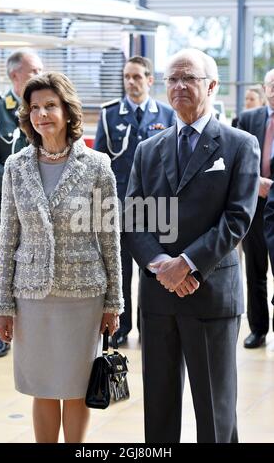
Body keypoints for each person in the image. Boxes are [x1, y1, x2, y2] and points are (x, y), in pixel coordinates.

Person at [123, 48, 260, 443]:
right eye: (173, 79)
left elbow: (237, 219)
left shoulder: (238, 145)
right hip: (158, 297)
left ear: (212, 86)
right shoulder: (149, 149)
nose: (179, 86)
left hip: (211, 294)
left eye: (189, 78)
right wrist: (160, 264)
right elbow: (133, 218)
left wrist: (186, 262)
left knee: (215, 414)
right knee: (159, 414)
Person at [0, 71, 124, 443]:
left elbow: (109, 238)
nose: (42, 114)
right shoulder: (15, 167)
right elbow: (7, 238)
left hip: (83, 297)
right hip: (31, 296)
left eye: (51, 105)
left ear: (68, 111)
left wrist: (114, 301)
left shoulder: (98, 165)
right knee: (43, 386)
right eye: (34, 107)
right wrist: (2, 304)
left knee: (77, 386)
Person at [94, 55, 175, 345]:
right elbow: (99, 163)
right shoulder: (109, 115)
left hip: (157, 208)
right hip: (117, 206)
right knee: (120, 269)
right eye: (127, 77)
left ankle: (148, 327)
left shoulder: (167, 115)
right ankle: (121, 328)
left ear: (150, 80)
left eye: (137, 76)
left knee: (154, 269)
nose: (131, 82)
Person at [0, 48, 43, 358]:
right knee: (3, 268)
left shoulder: (42, 109)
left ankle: (35, 328)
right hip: (4, 204)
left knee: (38, 264)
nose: (39, 76)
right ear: (15, 75)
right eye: (33, 71)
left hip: (41, 206)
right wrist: (21, 186)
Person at [238, 70, 274, 348]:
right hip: (255, 205)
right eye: (271, 85)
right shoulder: (249, 119)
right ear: (264, 89)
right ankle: (258, 329)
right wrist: (254, 180)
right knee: (254, 270)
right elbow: (235, 160)